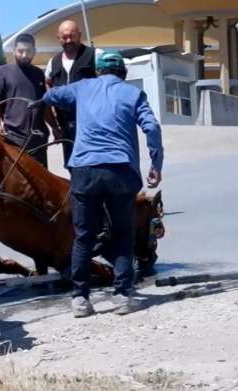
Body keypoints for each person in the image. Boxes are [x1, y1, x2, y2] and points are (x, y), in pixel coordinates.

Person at [36, 50, 163, 317]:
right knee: (122, 235)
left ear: (98, 71)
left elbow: (54, 95)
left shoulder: (83, 87)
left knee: (83, 236)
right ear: (123, 73)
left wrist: (39, 101)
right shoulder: (133, 94)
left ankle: (81, 300)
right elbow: (151, 127)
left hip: (85, 170)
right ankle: (122, 295)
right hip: (120, 172)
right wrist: (156, 164)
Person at [0, 33, 50, 167]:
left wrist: (55, 127)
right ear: (14, 51)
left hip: (38, 138)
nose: (24, 55)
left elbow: (44, 105)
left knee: (40, 182)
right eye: (20, 51)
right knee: (16, 182)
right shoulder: (2, 72)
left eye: (28, 51)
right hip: (14, 137)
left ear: (34, 51)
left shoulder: (39, 74)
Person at [45, 20, 98, 166]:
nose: (68, 40)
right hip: (65, 126)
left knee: (92, 165)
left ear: (79, 35)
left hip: (91, 126)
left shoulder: (95, 55)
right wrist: (54, 109)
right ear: (59, 38)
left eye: (72, 36)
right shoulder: (53, 62)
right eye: (64, 37)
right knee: (71, 164)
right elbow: (47, 83)